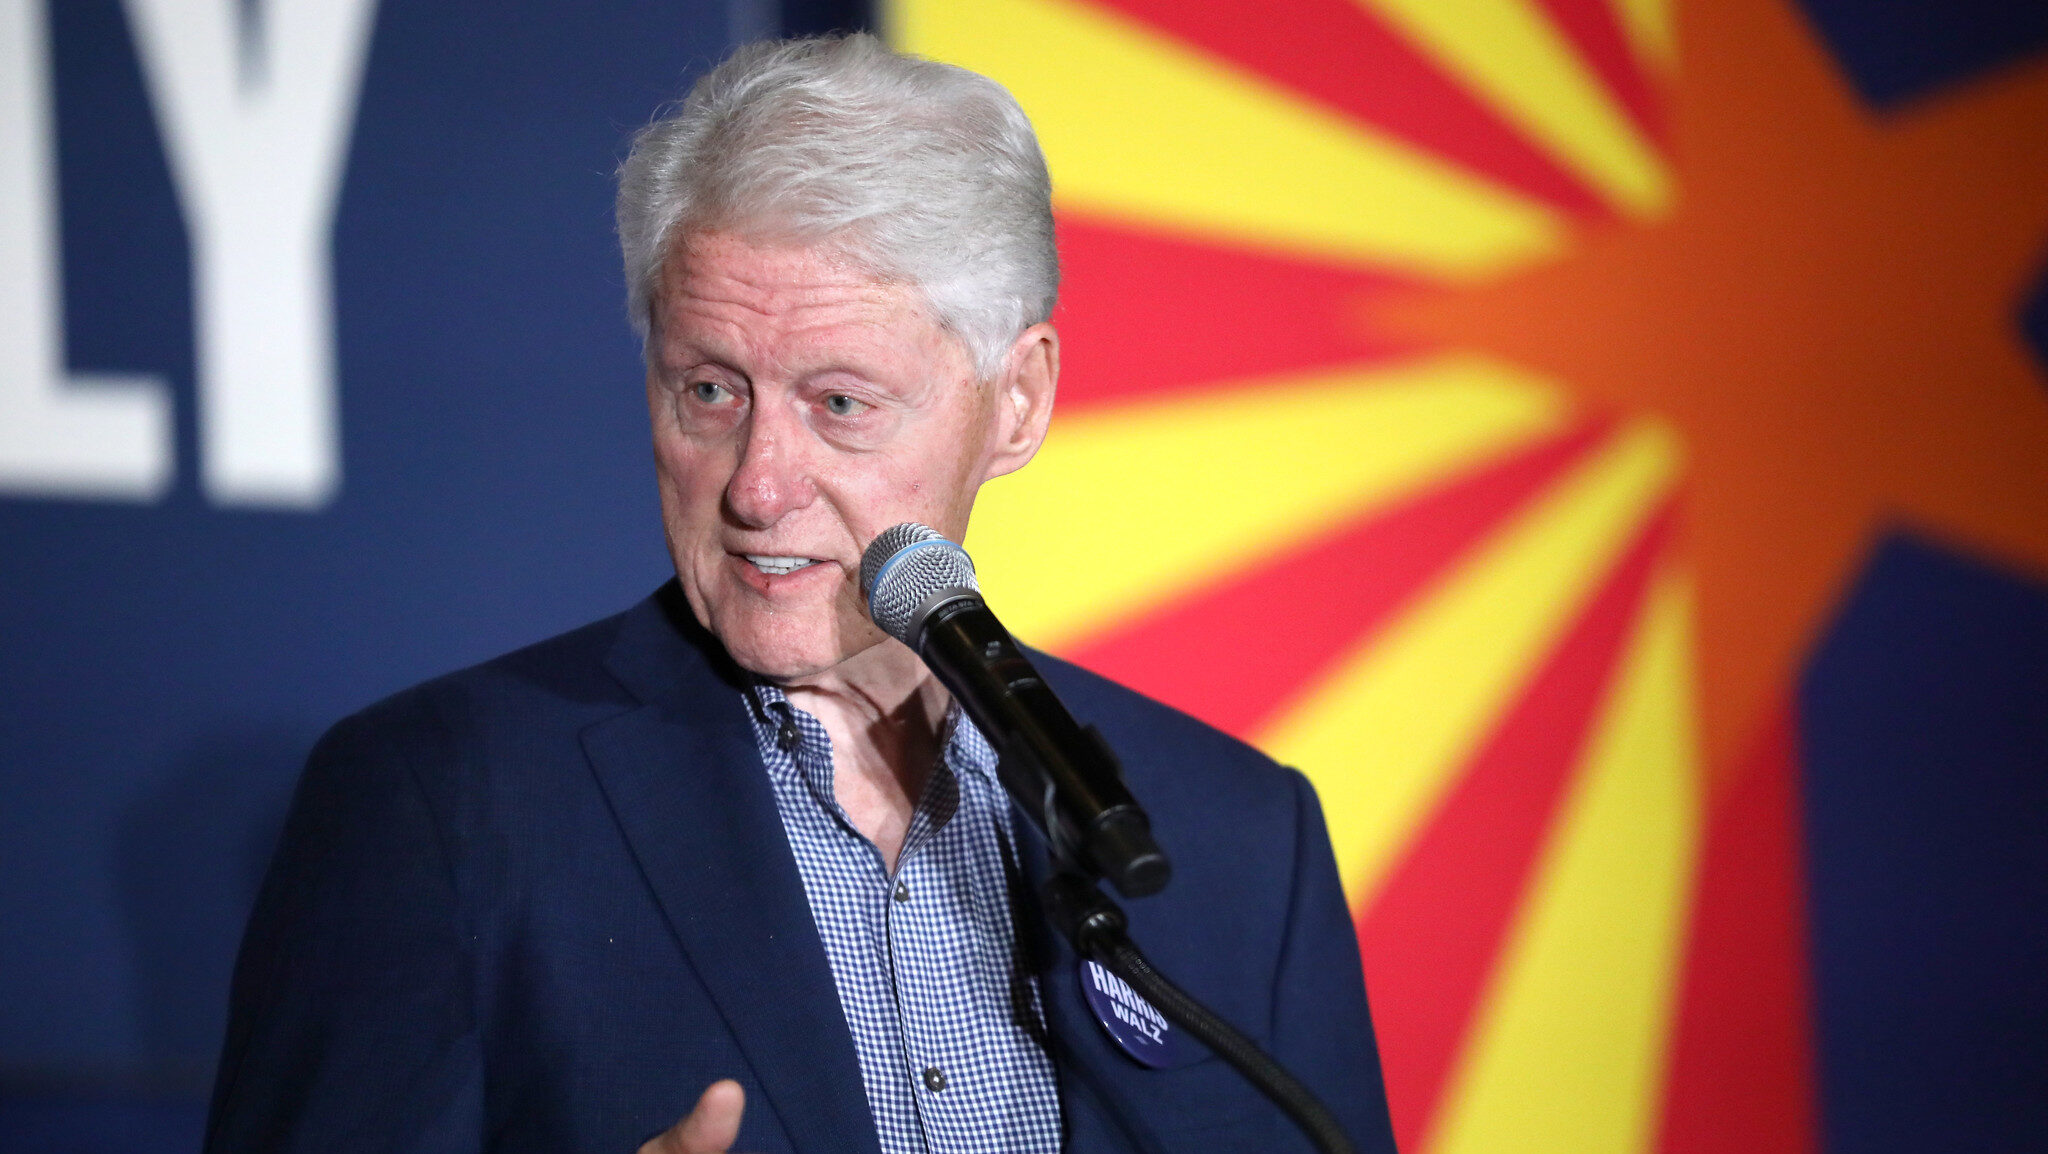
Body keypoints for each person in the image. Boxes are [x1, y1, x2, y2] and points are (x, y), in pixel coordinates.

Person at [205, 34, 1398, 1154]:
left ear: (1018, 399)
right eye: (709, 391)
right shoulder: (442, 801)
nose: (758, 485)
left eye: (839, 402)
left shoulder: (1237, 840)